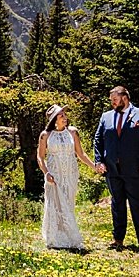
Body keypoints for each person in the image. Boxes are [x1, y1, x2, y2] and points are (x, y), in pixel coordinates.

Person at [92, 85, 139, 251]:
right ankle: (118, 239)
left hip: (135, 168)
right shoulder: (106, 117)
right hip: (112, 169)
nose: (112, 103)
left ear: (124, 97)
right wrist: (99, 161)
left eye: (114, 99)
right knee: (117, 203)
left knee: (137, 204)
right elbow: (98, 140)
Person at [36, 103, 98, 252]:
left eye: (64, 115)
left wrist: (94, 166)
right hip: (54, 176)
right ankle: (56, 237)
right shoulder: (45, 135)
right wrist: (46, 173)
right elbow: (40, 157)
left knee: (68, 204)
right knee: (55, 205)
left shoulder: (73, 132)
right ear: (54, 120)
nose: (65, 117)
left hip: (70, 174)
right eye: (61, 115)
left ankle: (67, 235)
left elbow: (81, 154)